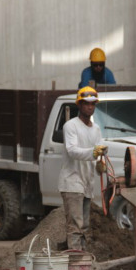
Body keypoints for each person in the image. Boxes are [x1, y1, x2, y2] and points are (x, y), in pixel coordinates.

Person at [60, 86, 107, 252]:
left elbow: (98, 151)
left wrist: (100, 163)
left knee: (85, 226)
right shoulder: (70, 126)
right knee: (75, 226)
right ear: (79, 105)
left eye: (93, 104)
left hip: (87, 183)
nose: (90, 107)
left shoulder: (96, 129)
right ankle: (75, 262)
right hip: (72, 182)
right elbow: (72, 151)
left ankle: (83, 261)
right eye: (86, 104)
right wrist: (93, 153)